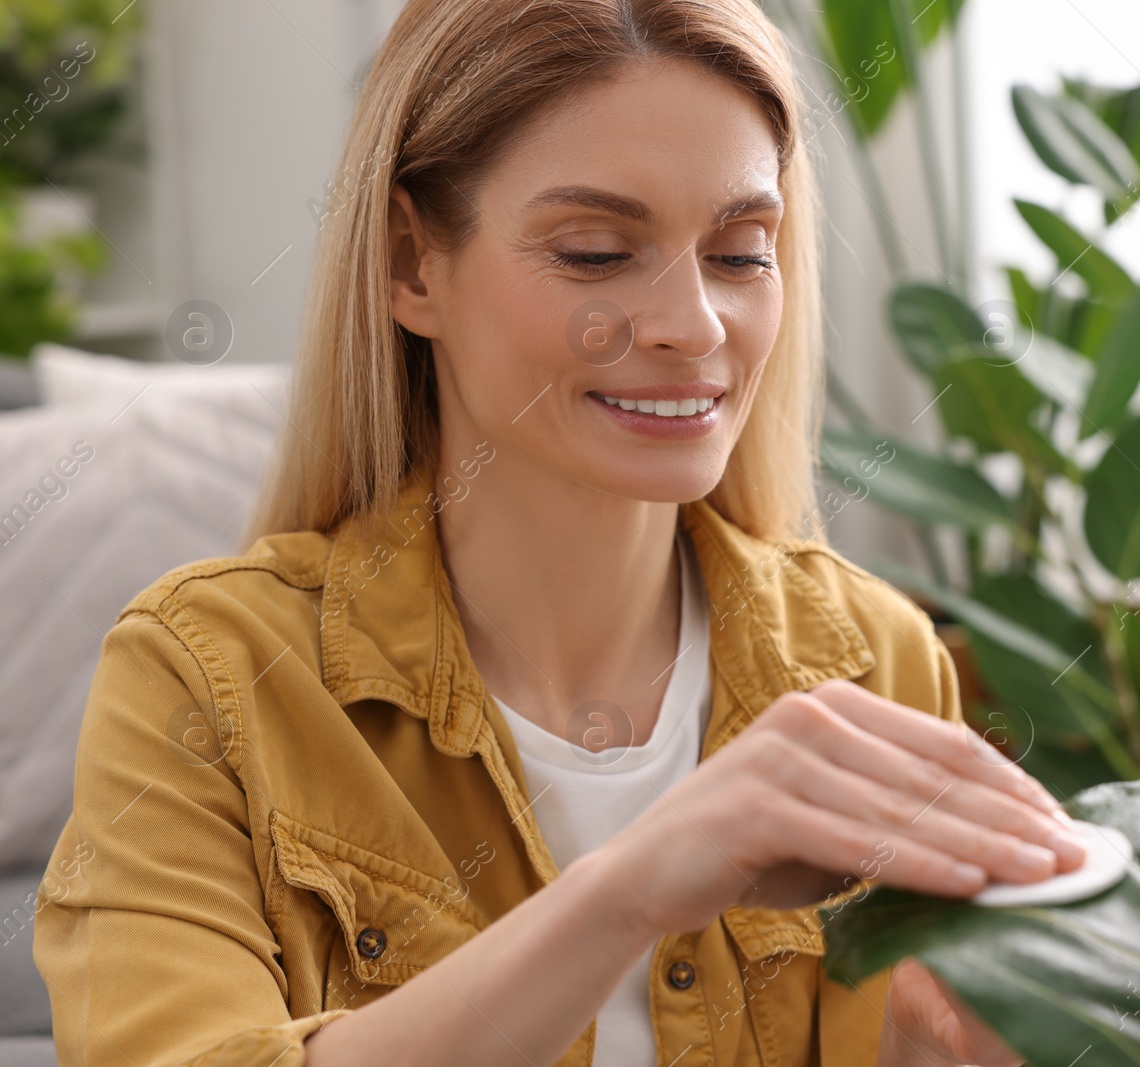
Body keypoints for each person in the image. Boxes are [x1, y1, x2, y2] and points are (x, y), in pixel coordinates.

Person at [33, 0, 1086, 1063]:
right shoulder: (204, 677)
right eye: (593, 252)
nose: (693, 324)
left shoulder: (874, 658)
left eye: (739, 252)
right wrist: (626, 890)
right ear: (410, 264)